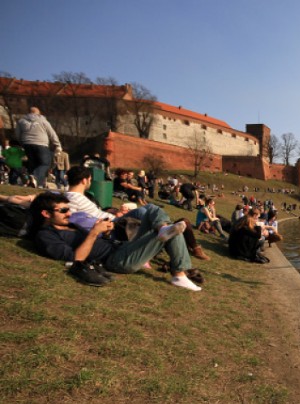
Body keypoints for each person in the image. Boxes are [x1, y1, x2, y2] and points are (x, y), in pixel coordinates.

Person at [29, 191, 201, 291]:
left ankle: (163, 229)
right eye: (64, 210)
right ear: (45, 213)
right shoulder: (46, 236)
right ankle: (179, 275)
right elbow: (75, 259)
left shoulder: (70, 224)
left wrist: (104, 232)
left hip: (121, 246)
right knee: (174, 230)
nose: (69, 213)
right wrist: (93, 233)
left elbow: (95, 242)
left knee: (154, 211)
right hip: (117, 260)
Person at [64, 166, 210, 260]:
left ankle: (169, 231)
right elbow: (79, 218)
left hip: (114, 218)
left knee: (153, 212)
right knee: (150, 210)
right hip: (113, 223)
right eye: (90, 179)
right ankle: (175, 236)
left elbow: (94, 212)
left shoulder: (83, 197)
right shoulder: (70, 199)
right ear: (85, 180)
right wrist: (113, 216)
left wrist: (112, 210)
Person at [15, 107, 61, 188]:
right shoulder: (43, 121)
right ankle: (35, 177)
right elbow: (52, 133)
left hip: (27, 144)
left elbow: (18, 134)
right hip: (41, 143)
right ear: (39, 113)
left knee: (33, 163)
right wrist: (57, 145)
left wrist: (22, 143)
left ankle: (35, 182)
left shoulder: (21, 121)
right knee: (45, 163)